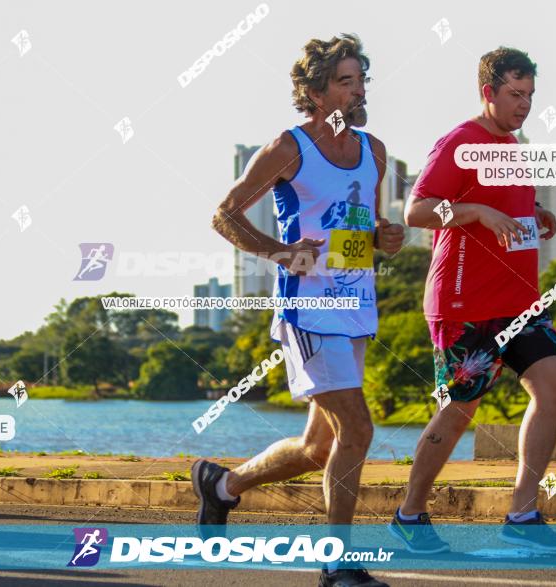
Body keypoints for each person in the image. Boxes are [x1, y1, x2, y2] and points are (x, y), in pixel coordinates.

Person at [191, 34, 405, 587]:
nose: (357, 90)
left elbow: (364, 226)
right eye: (344, 80)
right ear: (313, 91)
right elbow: (224, 214)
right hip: (307, 309)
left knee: (319, 446)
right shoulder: (290, 148)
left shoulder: (374, 150)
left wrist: (385, 237)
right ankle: (338, 564)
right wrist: (279, 251)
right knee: (358, 428)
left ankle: (222, 486)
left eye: (361, 79)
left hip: (356, 305)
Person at [391, 47, 556, 553]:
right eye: (515, 95)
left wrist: (534, 211)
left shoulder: (514, 146)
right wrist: (471, 211)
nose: (524, 105)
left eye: (530, 95)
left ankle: (522, 511)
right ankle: (410, 513)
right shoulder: (459, 143)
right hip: (463, 302)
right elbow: (417, 210)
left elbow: (504, 204)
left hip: (520, 302)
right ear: (487, 92)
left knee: (553, 388)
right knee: (459, 411)